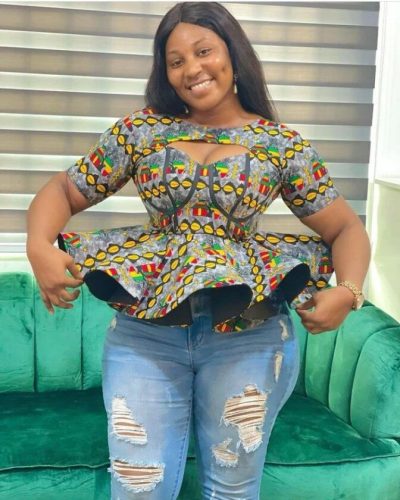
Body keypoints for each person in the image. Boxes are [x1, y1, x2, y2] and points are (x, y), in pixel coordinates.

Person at [26, 2, 371, 498]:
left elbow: (346, 228)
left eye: (203, 51)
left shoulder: (282, 145)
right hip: (145, 335)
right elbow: (64, 189)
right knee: (138, 487)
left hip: (249, 334)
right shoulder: (141, 131)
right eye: (176, 61)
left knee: (232, 489)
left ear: (233, 54)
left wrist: (349, 291)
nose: (192, 68)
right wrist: (38, 245)